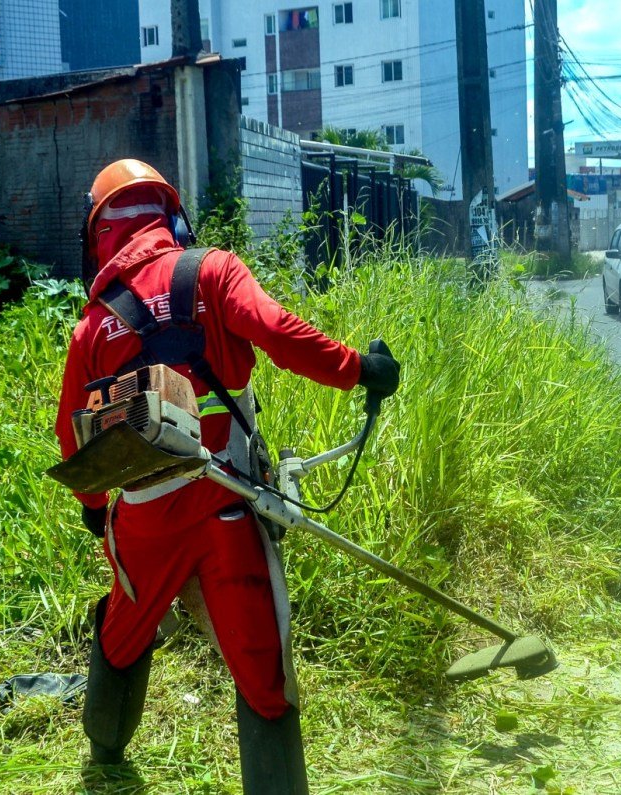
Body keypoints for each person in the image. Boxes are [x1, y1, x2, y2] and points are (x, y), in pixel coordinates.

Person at [55, 159, 401, 793]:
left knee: (124, 634)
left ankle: (104, 755)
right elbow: (277, 331)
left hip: (144, 520)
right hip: (227, 506)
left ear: (99, 235)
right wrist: (359, 369)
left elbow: (73, 435)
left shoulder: (92, 325)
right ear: (171, 218)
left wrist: (93, 506)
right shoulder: (212, 271)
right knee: (260, 669)